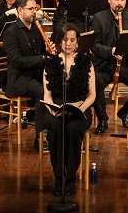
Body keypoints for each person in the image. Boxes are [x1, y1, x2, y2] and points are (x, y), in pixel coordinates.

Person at [43, 24, 95, 197]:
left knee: (72, 129)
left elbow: (92, 95)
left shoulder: (86, 63)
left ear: (77, 42)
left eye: (72, 40)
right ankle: (58, 176)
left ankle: (71, 177)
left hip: (80, 108)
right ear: (59, 41)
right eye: (65, 40)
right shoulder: (50, 64)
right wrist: (51, 108)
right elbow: (47, 95)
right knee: (57, 129)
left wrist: (79, 109)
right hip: (56, 109)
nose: (69, 44)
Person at [90, 0, 128, 132]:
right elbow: (94, 46)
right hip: (104, 64)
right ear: (109, 0)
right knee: (95, 82)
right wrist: (111, 50)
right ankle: (102, 119)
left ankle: (125, 111)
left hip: (126, 63)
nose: (119, 3)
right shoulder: (98, 18)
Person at [3, 0, 51, 149]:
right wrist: (43, 58)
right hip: (19, 79)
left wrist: (50, 52)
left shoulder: (36, 28)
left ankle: (54, 133)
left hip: (35, 73)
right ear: (19, 10)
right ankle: (40, 138)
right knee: (42, 93)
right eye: (30, 9)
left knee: (56, 86)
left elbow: (42, 52)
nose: (34, 12)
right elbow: (17, 61)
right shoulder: (11, 32)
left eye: (35, 8)